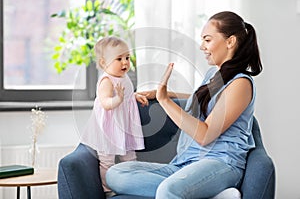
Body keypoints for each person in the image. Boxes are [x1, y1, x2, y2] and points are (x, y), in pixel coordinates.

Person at [106, 11, 263, 198]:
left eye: (207, 40)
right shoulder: (214, 75)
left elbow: (205, 135)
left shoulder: (241, 84)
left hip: (221, 163)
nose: (202, 47)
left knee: (168, 190)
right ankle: (204, 193)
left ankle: (190, 189)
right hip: (185, 163)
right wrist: (166, 94)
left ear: (230, 42)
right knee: (115, 174)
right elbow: (204, 100)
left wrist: (165, 101)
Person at [80, 36, 149, 195]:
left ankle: (131, 184)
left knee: (130, 158)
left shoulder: (124, 78)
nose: (125, 62)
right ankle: (108, 189)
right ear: (104, 63)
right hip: (108, 128)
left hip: (124, 125)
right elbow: (105, 103)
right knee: (107, 161)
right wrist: (118, 99)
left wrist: (134, 97)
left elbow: (127, 95)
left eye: (127, 58)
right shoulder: (106, 81)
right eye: (119, 59)